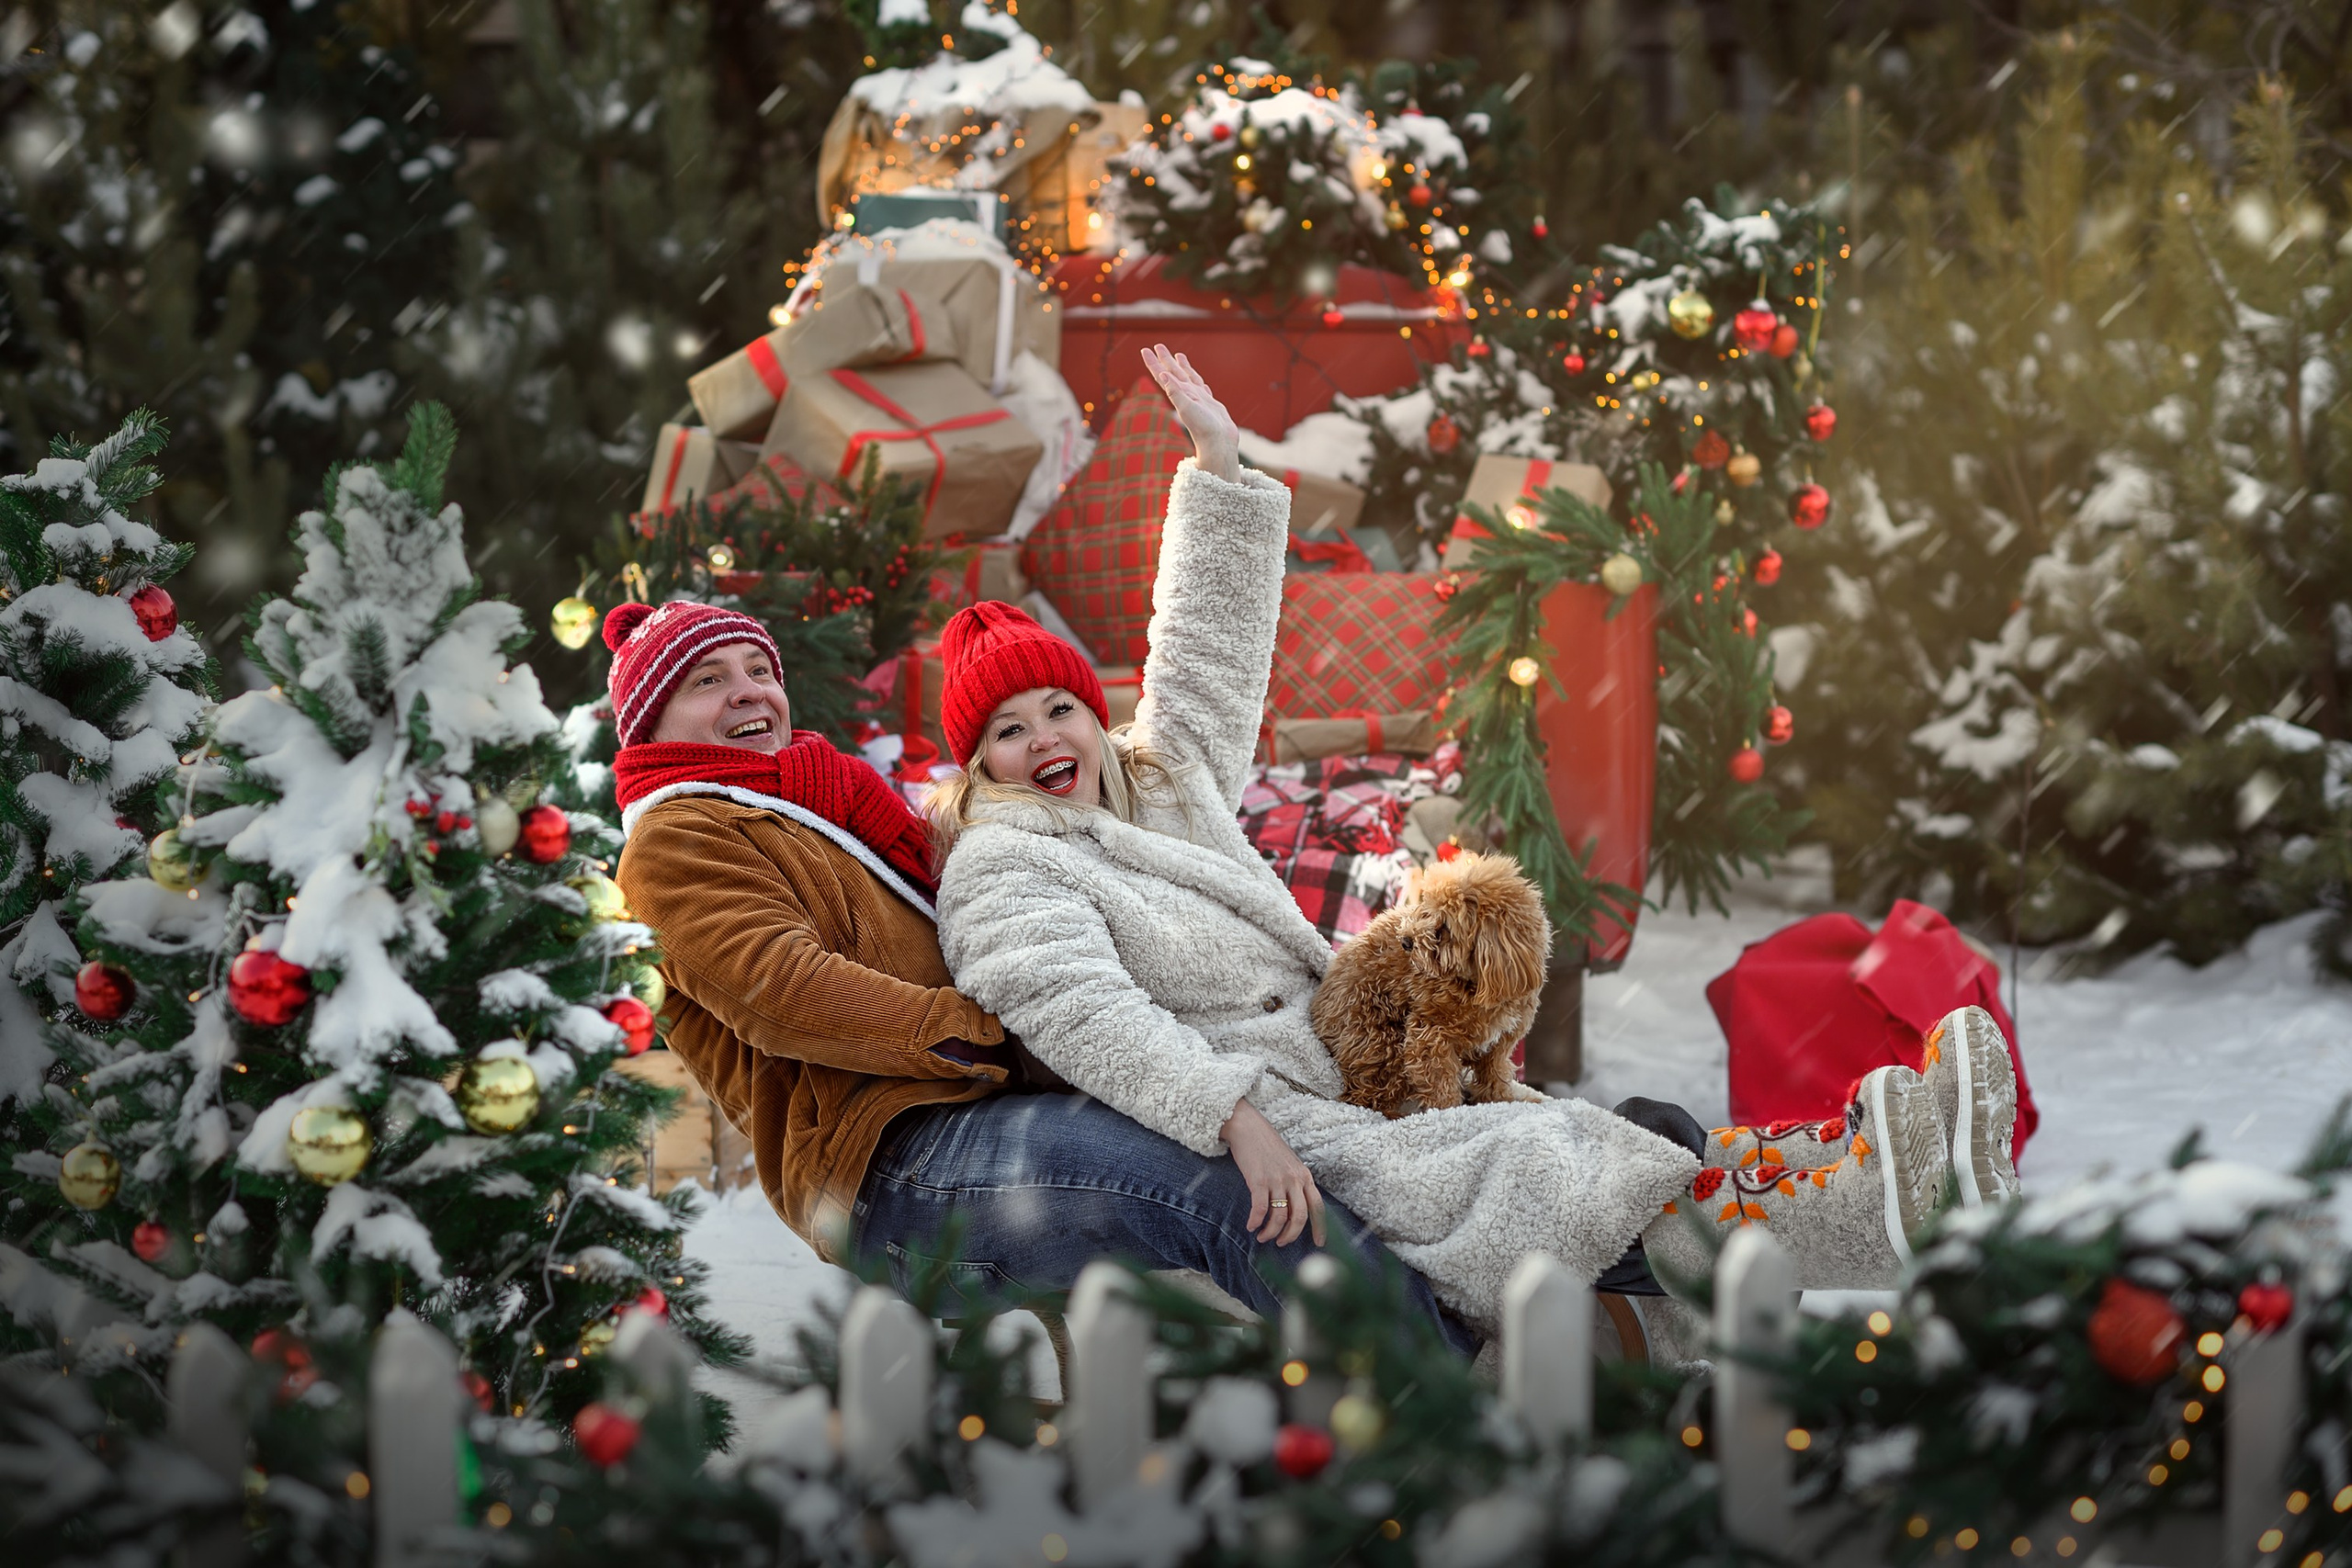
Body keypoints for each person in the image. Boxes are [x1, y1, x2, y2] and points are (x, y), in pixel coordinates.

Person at [928, 345, 2021, 1334]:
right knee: (1531, 1165)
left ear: (1091, 714)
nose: (1042, 739)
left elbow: (1205, 649)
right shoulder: (1002, 866)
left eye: (1057, 710)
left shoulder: (1160, 786)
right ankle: (1871, 1210)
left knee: (1580, 1136)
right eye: (1006, 732)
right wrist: (1232, 1118)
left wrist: (1216, 466)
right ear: (982, 769)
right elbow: (1085, 1017)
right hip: (1280, 1110)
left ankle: (1851, 1168)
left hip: (1347, 1071)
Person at [605, 564, 1479, 1353]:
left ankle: (1475, 1348)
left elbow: (1193, 696)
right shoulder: (677, 839)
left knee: (1276, 1141)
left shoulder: (824, 797)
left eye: (759, 670)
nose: (748, 691)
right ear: (651, 723)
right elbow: (782, 988)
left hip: (981, 1109)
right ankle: (1434, 1404)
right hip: (888, 1166)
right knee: (1223, 1184)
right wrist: (994, 1034)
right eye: (707, 681)